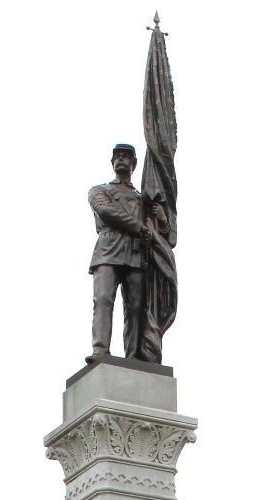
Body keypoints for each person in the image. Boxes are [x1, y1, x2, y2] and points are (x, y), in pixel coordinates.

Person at [87, 143, 167, 363]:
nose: (121, 159)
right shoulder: (99, 190)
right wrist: (139, 227)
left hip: (135, 252)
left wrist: (161, 217)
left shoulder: (144, 199)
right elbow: (106, 211)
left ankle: (132, 357)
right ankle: (100, 350)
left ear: (133, 164)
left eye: (126, 157)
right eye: (118, 156)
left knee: (136, 308)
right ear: (112, 163)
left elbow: (163, 235)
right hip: (108, 249)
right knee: (103, 300)